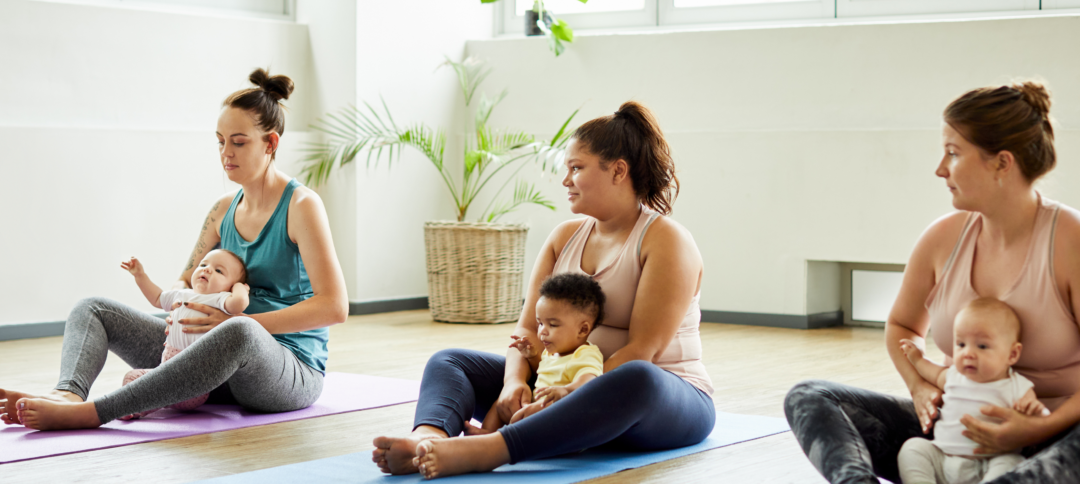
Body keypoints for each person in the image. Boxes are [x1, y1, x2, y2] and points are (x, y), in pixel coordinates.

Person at [372, 101, 715, 480]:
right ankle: (426, 441)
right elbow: (525, 332)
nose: (565, 180)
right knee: (450, 361)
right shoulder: (563, 237)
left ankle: (485, 450)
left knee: (636, 376)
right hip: (556, 387)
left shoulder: (666, 241)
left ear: (618, 171)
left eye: (576, 168)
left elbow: (642, 351)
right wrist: (514, 382)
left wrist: (571, 393)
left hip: (657, 400)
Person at [0, 68, 349, 431]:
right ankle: (68, 394)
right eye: (220, 141)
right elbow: (186, 278)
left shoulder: (301, 206)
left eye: (239, 142)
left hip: (286, 369)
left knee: (240, 333)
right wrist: (179, 313)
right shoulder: (221, 210)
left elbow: (334, 307)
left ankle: (94, 413)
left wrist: (240, 320)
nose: (225, 153)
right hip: (210, 361)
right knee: (93, 309)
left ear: (271, 143)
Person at [785, 80, 1080, 483]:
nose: (940, 169)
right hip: (955, 437)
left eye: (954, 154)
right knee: (810, 397)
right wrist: (919, 388)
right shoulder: (941, 238)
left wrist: (1037, 428)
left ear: (1002, 163)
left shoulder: (1069, 239)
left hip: (1057, 435)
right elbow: (902, 326)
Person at [897, 298, 1047, 484]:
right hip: (943, 459)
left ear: (1012, 354)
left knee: (1012, 462)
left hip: (989, 463)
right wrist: (918, 359)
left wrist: (1034, 411)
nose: (967, 353)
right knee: (913, 448)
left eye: (982, 346)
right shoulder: (953, 376)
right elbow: (932, 373)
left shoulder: (1017, 386)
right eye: (961, 344)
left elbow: (1038, 416)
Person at [117, 250, 251, 419]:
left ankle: (141, 404)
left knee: (157, 387)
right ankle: (138, 405)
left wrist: (240, 288)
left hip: (194, 384)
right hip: (165, 372)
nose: (207, 269)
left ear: (230, 287)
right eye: (203, 264)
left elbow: (239, 303)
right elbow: (157, 298)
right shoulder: (182, 294)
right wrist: (140, 276)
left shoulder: (220, 299)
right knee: (132, 377)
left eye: (219, 271)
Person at [470, 272, 606, 434]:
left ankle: (501, 440)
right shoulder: (552, 352)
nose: (542, 331)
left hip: (559, 413)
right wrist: (532, 356)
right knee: (502, 401)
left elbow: (589, 382)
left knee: (533, 418)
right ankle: (487, 432)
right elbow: (542, 373)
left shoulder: (585, 354)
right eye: (540, 323)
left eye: (553, 325)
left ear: (583, 329)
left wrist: (566, 391)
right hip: (536, 405)